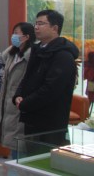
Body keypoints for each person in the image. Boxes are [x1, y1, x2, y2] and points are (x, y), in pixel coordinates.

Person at [14, 10, 79, 146]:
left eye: (41, 24)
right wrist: (19, 95)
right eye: (36, 23)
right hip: (31, 117)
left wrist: (26, 103)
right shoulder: (37, 50)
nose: (36, 27)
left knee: (44, 156)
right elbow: (27, 77)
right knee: (30, 155)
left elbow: (51, 89)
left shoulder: (63, 56)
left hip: (50, 122)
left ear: (54, 28)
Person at [0, 22, 35, 156]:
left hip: (18, 103)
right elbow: (3, 55)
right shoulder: (13, 55)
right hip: (7, 103)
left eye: (17, 33)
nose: (13, 36)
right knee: (12, 144)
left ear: (27, 37)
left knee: (19, 145)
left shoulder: (30, 56)